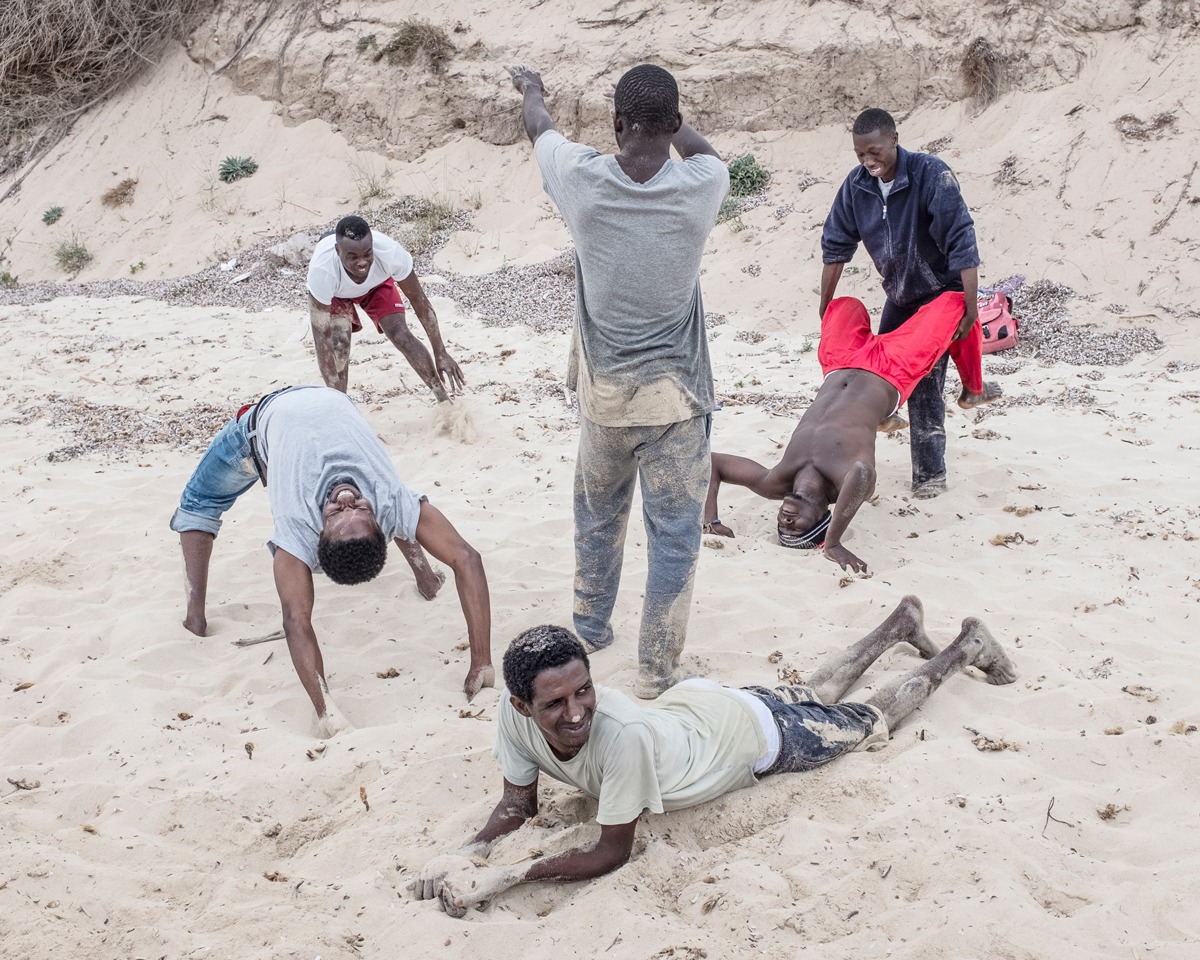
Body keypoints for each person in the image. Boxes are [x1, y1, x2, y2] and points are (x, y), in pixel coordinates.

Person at [411, 595, 1016, 917]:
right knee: (810, 693)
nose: (575, 712)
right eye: (555, 703)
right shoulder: (511, 715)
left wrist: (507, 877)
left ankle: (966, 647)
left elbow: (610, 851)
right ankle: (900, 624)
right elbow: (518, 805)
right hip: (698, 708)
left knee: (866, 720)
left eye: (584, 691)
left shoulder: (619, 734)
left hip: (750, 742)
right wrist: (465, 851)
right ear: (520, 705)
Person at [509, 62, 729, 698]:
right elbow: (706, 154)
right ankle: (657, 669)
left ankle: (590, 626)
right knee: (675, 538)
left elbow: (539, 127)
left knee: (598, 517)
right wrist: (676, 126)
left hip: (605, 398)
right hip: (677, 402)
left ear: (615, 123)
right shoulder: (703, 184)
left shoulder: (581, 180)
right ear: (674, 121)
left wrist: (532, 88)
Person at [169, 385, 494, 735]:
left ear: (320, 532)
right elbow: (467, 558)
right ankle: (426, 579)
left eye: (339, 512)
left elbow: (296, 621)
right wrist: (482, 660)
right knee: (400, 507)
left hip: (265, 420)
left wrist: (326, 712)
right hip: (323, 399)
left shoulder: (299, 527)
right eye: (358, 509)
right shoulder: (386, 502)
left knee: (198, 503)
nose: (347, 500)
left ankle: (195, 620)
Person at [705, 296, 1001, 572]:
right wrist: (833, 543)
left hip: (840, 364)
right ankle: (973, 390)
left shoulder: (774, 482)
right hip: (893, 371)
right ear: (822, 518)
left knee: (842, 305)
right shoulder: (844, 480)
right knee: (959, 303)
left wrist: (710, 521)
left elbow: (713, 463)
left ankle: (880, 420)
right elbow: (863, 475)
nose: (786, 521)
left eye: (781, 527)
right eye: (795, 529)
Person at [820, 107, 983, 499]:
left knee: (925, 383)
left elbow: (962, 239)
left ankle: (930, 476)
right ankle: (871, 446)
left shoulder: (930, 174)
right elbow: (836, 245)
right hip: (900, 295)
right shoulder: (857, 186)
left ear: (894, 139)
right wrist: (826, 308)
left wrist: (970, 308)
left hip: (942, 296)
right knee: (879, 376)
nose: (868, 161)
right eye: (860, 154)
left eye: (874, 151)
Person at [306, 215, 465, 401]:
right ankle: (341, 405)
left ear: (373, 245)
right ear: (337, 250)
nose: (362, 262)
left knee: (400, 334)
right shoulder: (322, 271)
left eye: (367, 254)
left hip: (376, 285)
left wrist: (441, 352)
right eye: (353, 257)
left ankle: (443, 399)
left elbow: (419, 300)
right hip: (336, 294)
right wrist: (336, 397)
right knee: (339, 347)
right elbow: (321, 339)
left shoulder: (390, 252)